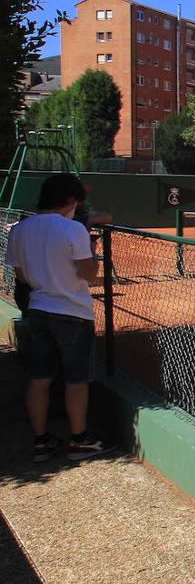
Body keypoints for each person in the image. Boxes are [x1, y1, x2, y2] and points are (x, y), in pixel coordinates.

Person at [4, 173, 115, 462]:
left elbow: (22, 276)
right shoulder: (72, 230)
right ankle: (79, 440)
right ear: (70, 200)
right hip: (72, 313)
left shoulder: (19, 230)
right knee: (76, 379)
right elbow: (89, 275)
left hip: (38, 309)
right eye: (77, 201)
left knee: (39, 377)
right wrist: (91, 251)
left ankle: (41, 442)